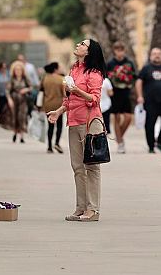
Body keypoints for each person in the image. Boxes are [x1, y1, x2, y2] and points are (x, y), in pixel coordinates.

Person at [47, 39, 106, 222]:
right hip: (73, 122)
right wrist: (58, 112)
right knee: (78, 167)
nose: (78, 45)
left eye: (83, 44)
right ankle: (81, 207)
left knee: (92, 167)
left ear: (89, 51)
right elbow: (69, 99)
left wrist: (77, 90)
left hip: (90, 122)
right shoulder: (74, 69)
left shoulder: (94, 73)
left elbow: (95, 99)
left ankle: (93, 209)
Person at [136, 48, 161, 153]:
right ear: (150, 56)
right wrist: (140, 96)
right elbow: (139, 82)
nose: (157, 55)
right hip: (150, 101)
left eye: (159, 54)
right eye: (154, 54)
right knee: (150, 124)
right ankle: (151, 146)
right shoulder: (146, 68)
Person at [106, 41, 137, 154]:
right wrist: (115, 74)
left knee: (128, 117)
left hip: (126, 92)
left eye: (121, 50)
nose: (119, 52)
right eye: (117, 50)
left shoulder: (129, 62)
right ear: (114, 51)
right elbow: (106, 77)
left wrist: (127, 78)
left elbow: (134, 76)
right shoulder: (110, 63)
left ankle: (119, 137)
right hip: (114, 93)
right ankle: (120, 143)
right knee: (117, 117)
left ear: (124, 51)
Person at [42, 62, 66, 154]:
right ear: (55, 69)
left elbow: (41, 90)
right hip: (58, 105)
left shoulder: (45, 78)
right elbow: (64, 93)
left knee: (50, 126)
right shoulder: (61, 79)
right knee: (59, 125)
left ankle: (49, 146)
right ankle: (57, 143)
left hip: (47, 104)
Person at [8, 61, 33, 144]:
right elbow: (8, 90)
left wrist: (26, 89)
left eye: (19, 70)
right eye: (16, 70)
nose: (18, 71)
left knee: (22, 117)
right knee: (14, 116)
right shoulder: (12, 79)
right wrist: (9, 100)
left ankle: (22, 135)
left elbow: (31, 87)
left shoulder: (25, 78)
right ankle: (15, 132)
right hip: (14, 99)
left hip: (23, 100)